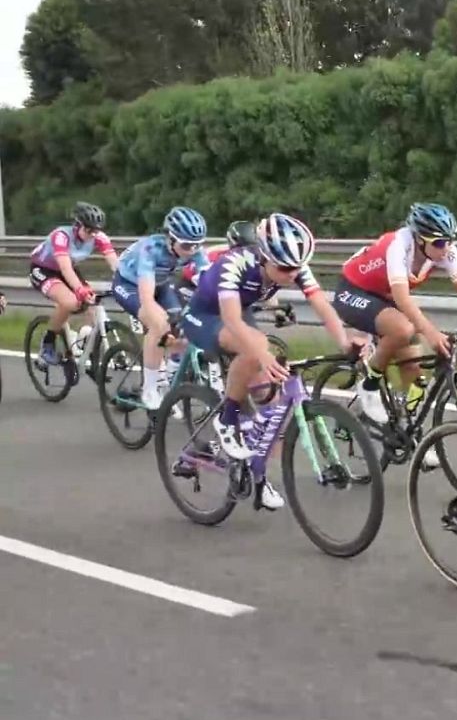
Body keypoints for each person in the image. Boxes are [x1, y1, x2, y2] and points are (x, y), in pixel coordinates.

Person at [181, 213, 356, 508]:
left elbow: (321, 306)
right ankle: (227, 420)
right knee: (257, 348)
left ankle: (257, 477)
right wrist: (261, 354)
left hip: (240, 312)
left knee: (271, 410)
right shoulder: (234, 264)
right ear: (263, 257)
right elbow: (232, 320)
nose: (292, 274)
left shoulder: (293, 265)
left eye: (297, 267)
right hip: (205, 316)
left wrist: (344, 341)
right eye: (284, 268)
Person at [333, 202, 457, 424]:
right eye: (440, 243)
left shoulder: (445, 251)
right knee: (403, 329)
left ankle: (409, 430)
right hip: (353, 291)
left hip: (385, 297)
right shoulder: (398, 245)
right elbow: (402, 298)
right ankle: (369, 385)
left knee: (414, 371)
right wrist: (431, 333)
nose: (446, 248)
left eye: (450, 241)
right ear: (420, 239)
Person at [111, 207, 211, 408]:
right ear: (170, 239)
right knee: (159, 325)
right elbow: (147, 299)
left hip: (161, 284)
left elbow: (209, 282)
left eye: (197, 245)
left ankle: (169, 375)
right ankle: (149, 389)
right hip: (129, 284)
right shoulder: (150, 249)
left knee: (184, 327)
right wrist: (159, 316)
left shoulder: (194, 250)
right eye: (186, 245)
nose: (192, 250)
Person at [27, 202, 119, 371]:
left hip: (67, 268)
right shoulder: (61, 236)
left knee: (92, 302)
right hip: (43, 269)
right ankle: (47, 343)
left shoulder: (99, 237)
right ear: (78, 225)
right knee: (70, 302)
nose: (93, 234)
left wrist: (124, 281)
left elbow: (115, 263)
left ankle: (86, 346)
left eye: (96, 230)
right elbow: (65, 268)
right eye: (89, 230)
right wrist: (79, 290)